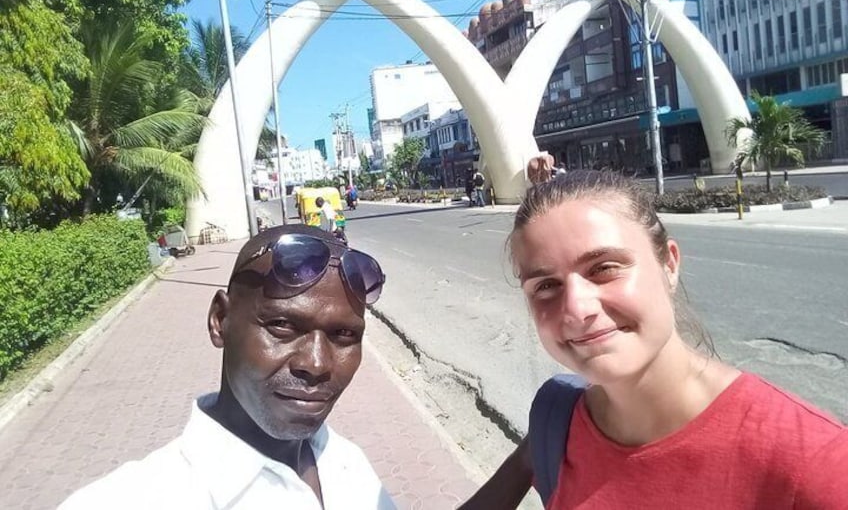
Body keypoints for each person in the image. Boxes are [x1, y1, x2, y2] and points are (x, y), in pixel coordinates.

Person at [463, 169, 847, 509]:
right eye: (546, 286)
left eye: (604, 268)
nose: (577, 309)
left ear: (670, 265)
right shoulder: (557, 423)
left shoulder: (816, 465)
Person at [60, 225, 392, 509]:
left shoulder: (349, 463)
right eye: (282, 327)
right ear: (220, 321)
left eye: (344, 334)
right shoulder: (130, 499)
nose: (317, 363)